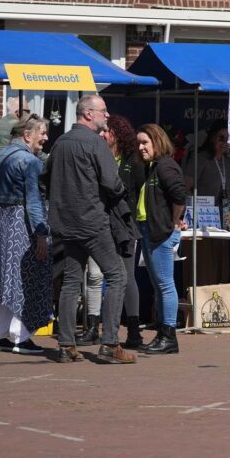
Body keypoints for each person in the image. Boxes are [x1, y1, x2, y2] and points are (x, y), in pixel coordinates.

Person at [44, 94, 135, 364]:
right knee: (117, 276)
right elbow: (112, 183)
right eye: (103, 111)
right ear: (88, 114)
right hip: (92, 222)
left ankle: (66, 345)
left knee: (71, 281)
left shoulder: (60, 143)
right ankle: (110, 344)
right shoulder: (95, 143)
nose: (107, 115)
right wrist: (119, 190)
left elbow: (45, 179)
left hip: (66, 223)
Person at [0, 114, 52, 354]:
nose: (46, 137)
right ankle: (20, 337)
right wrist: (41, 233)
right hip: (21, 222)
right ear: (27, 135)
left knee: (5, 277)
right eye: (42, 133)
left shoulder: (4, 154)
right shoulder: (29, 161)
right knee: (26, 277)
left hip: (3, 219)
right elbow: (33, 200)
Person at [77, 115, 146, 348]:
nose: (103, 134)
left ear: (118, 133)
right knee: (95, 275)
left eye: (107, 131)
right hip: (100, 224)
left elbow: (140, 190)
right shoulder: (97, 155)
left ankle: (134, 331)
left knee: (127, 277)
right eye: (102, 130)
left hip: (125, 225)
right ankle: (92, 327)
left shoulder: (133, 160)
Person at [135, 123, 187, 354]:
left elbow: (180, 195)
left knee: (165, 285)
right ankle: (163, 334)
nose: (141, 147)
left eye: (145, 142)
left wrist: (174, 221)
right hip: (150, 231)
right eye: (139, 143)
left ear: (157, 142)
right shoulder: (152, 167)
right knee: (159, 285)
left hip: (161, 233)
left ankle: (169, 336)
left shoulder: (166, 166)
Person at [184, 120, 230, 287]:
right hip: (202, 221)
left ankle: (218, 296)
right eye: (221, 138)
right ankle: (199, 296)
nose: (224, 143)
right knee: (203, 264)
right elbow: (185, 187)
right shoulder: (200, 159)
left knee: (220, 263)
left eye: (227, 139)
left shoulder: (228, 163)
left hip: (223, 220)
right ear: (212, 138)